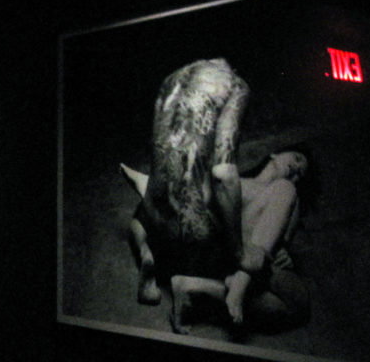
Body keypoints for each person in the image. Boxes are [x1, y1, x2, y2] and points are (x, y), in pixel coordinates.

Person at [120, 148, 313, 333]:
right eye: (296, 158)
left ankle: (193, 286)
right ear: (275, 154)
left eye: (300, 174)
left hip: (241, 262)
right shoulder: (238, 182)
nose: (295, 168)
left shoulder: (289, 196)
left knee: (297, 304)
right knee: (214, 185)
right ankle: (233, 280)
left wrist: (285, 253)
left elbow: (281, 241)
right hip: (218, 250)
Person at [127, 59, 250, 308]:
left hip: (154, 217)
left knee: (139, 216)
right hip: (191, 235)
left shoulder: (171, 79)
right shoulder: (235, 86)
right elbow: (223, 174)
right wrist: (239, 252)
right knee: (242, 208)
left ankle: (146, 252)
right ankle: (191, 283)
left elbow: (162, 153)